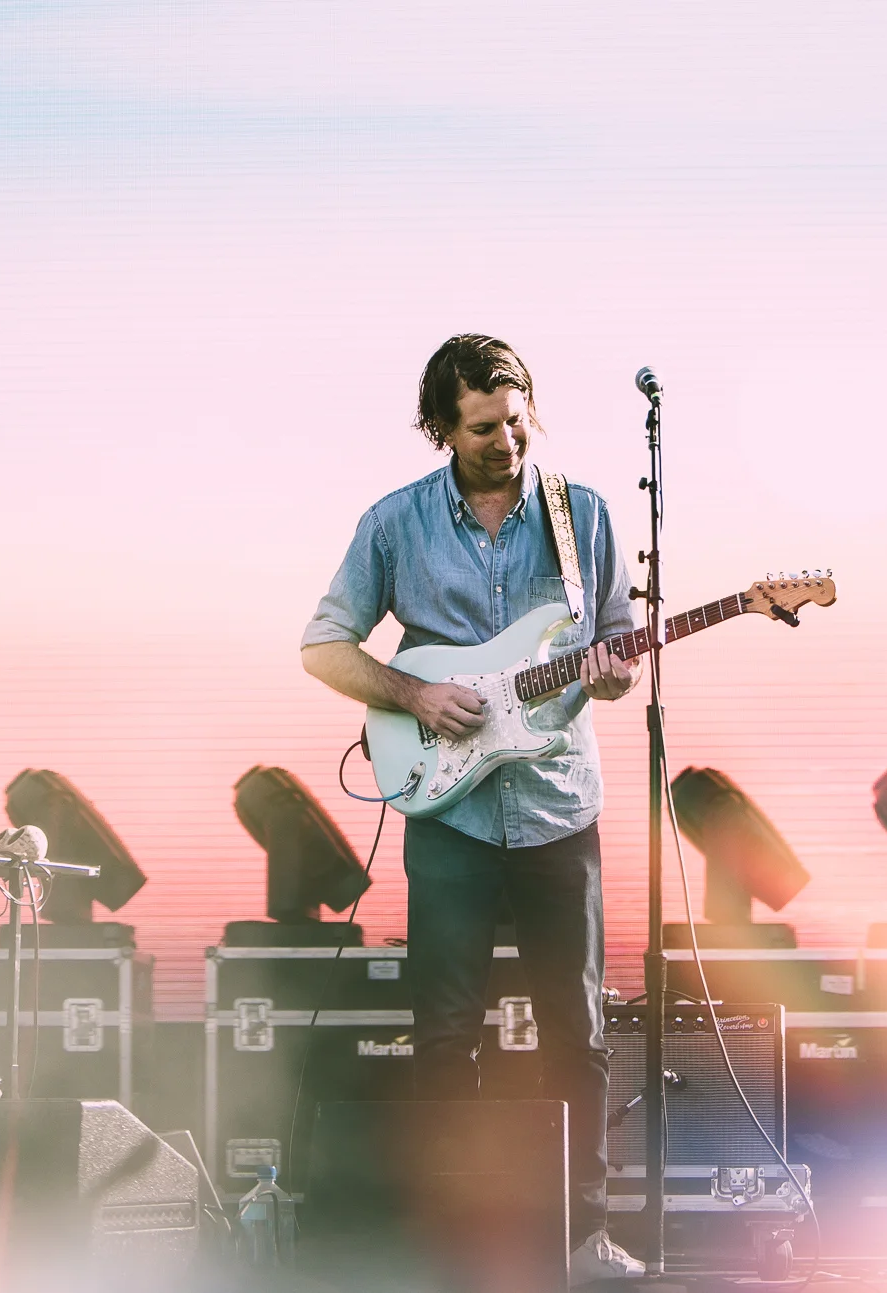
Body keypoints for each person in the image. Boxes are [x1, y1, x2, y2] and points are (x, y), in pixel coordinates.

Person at [301, 335, 648, 1284]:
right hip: (447, 812)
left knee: (576, 1031)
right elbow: (323, 645)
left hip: (556, 807)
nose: (508, 440)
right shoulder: (395, 524)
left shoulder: (587, 516)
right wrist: (413, 696)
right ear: (443, 429)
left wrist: (614, 674)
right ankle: (449, 1238)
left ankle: (584, 1239)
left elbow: (615, 639)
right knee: (445, 1030)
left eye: (519, 418)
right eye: (485, 427)